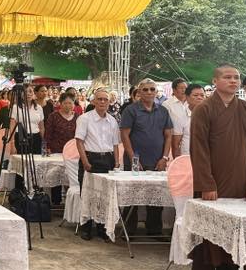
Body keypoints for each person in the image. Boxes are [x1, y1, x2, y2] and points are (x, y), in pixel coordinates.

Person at [189, 65, 246, 270]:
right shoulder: (204, 109)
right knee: (210, 228)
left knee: (238, 228)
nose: (233, 81)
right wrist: (206, 184)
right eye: (227, 77)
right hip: (213, 180)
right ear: (215, 81)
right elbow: (199, 149)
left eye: (236, 77)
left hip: (241, 180)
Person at [119, 78, 172, 237]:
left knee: (156, 197)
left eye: (152, 89)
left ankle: (155, 231)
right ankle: (129, 231)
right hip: (135, 161)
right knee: (132, 196)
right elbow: (124, 135)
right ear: (139, 92)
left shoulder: (163, 111)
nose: (149, 92)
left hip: (157, 161)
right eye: (145, 89)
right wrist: (133, 159)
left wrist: (165, 157)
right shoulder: (131, 110)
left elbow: (168, 135)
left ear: (156, 92)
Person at [74, 89, 120, 241]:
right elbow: (79, 142)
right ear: (93, 101)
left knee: (105, 195)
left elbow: (115, 144)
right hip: (90, 158)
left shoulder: (112, 121)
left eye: (105, 99)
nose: (102, 102)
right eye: (99, 99)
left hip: (107, 159)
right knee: (88, 194)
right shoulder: (85, 119)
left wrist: (117, 162)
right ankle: (86, 228)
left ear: (109, 102)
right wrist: (85, 162)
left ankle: (102, 228)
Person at [170, 83, 206, 158]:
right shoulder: (180, 117)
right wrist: (178, 162)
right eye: (195, 95)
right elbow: (176, 144)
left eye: (202, 95)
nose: (199, 98)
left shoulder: (211, 116)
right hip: (187, 159)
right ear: (187, 97)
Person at [7, 85, 44, 155]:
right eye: (25, 92)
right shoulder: (15, 107)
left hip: (36, 138)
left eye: (30, 91)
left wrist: (44, 142)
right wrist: (12, 143)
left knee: (36, 159)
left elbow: (42, 127)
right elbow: (12, 127)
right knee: (21, 159)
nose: (28, 94)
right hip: (21, 137)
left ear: (34, 94)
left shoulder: (39, 108)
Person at [44, 91, 79, 156]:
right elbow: (48, 133)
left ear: (74, 104)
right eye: (65, 103)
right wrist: (47, 147)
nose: (67, 105)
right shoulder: (53, 116)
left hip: (73, 150)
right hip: (55, 150)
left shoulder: (78, 117)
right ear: (60, 103)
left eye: (70, 103)